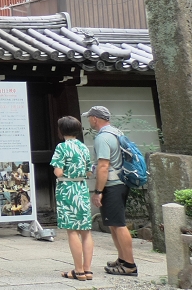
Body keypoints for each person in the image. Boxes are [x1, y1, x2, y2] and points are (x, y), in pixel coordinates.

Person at [84, 106, 137, 276]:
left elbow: (103, 166)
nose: (89, 120)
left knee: (119, 225)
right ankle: (122, 258)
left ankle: (129, 264)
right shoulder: (116, 132)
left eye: (89, 117)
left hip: (112, 185)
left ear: (95, 118)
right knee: (114, 224)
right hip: (121, 182)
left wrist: (98, 191)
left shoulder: (103, 138)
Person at [51, 115, 93, 281]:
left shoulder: (61, 147)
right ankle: (88, 270)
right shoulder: (83, 147)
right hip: (82, 188)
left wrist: (60, 171)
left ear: (61, 131)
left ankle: (78, 270)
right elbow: (89, 172)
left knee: (72, 230)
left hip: (67, 189)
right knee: (86, 231)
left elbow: (58, 171)